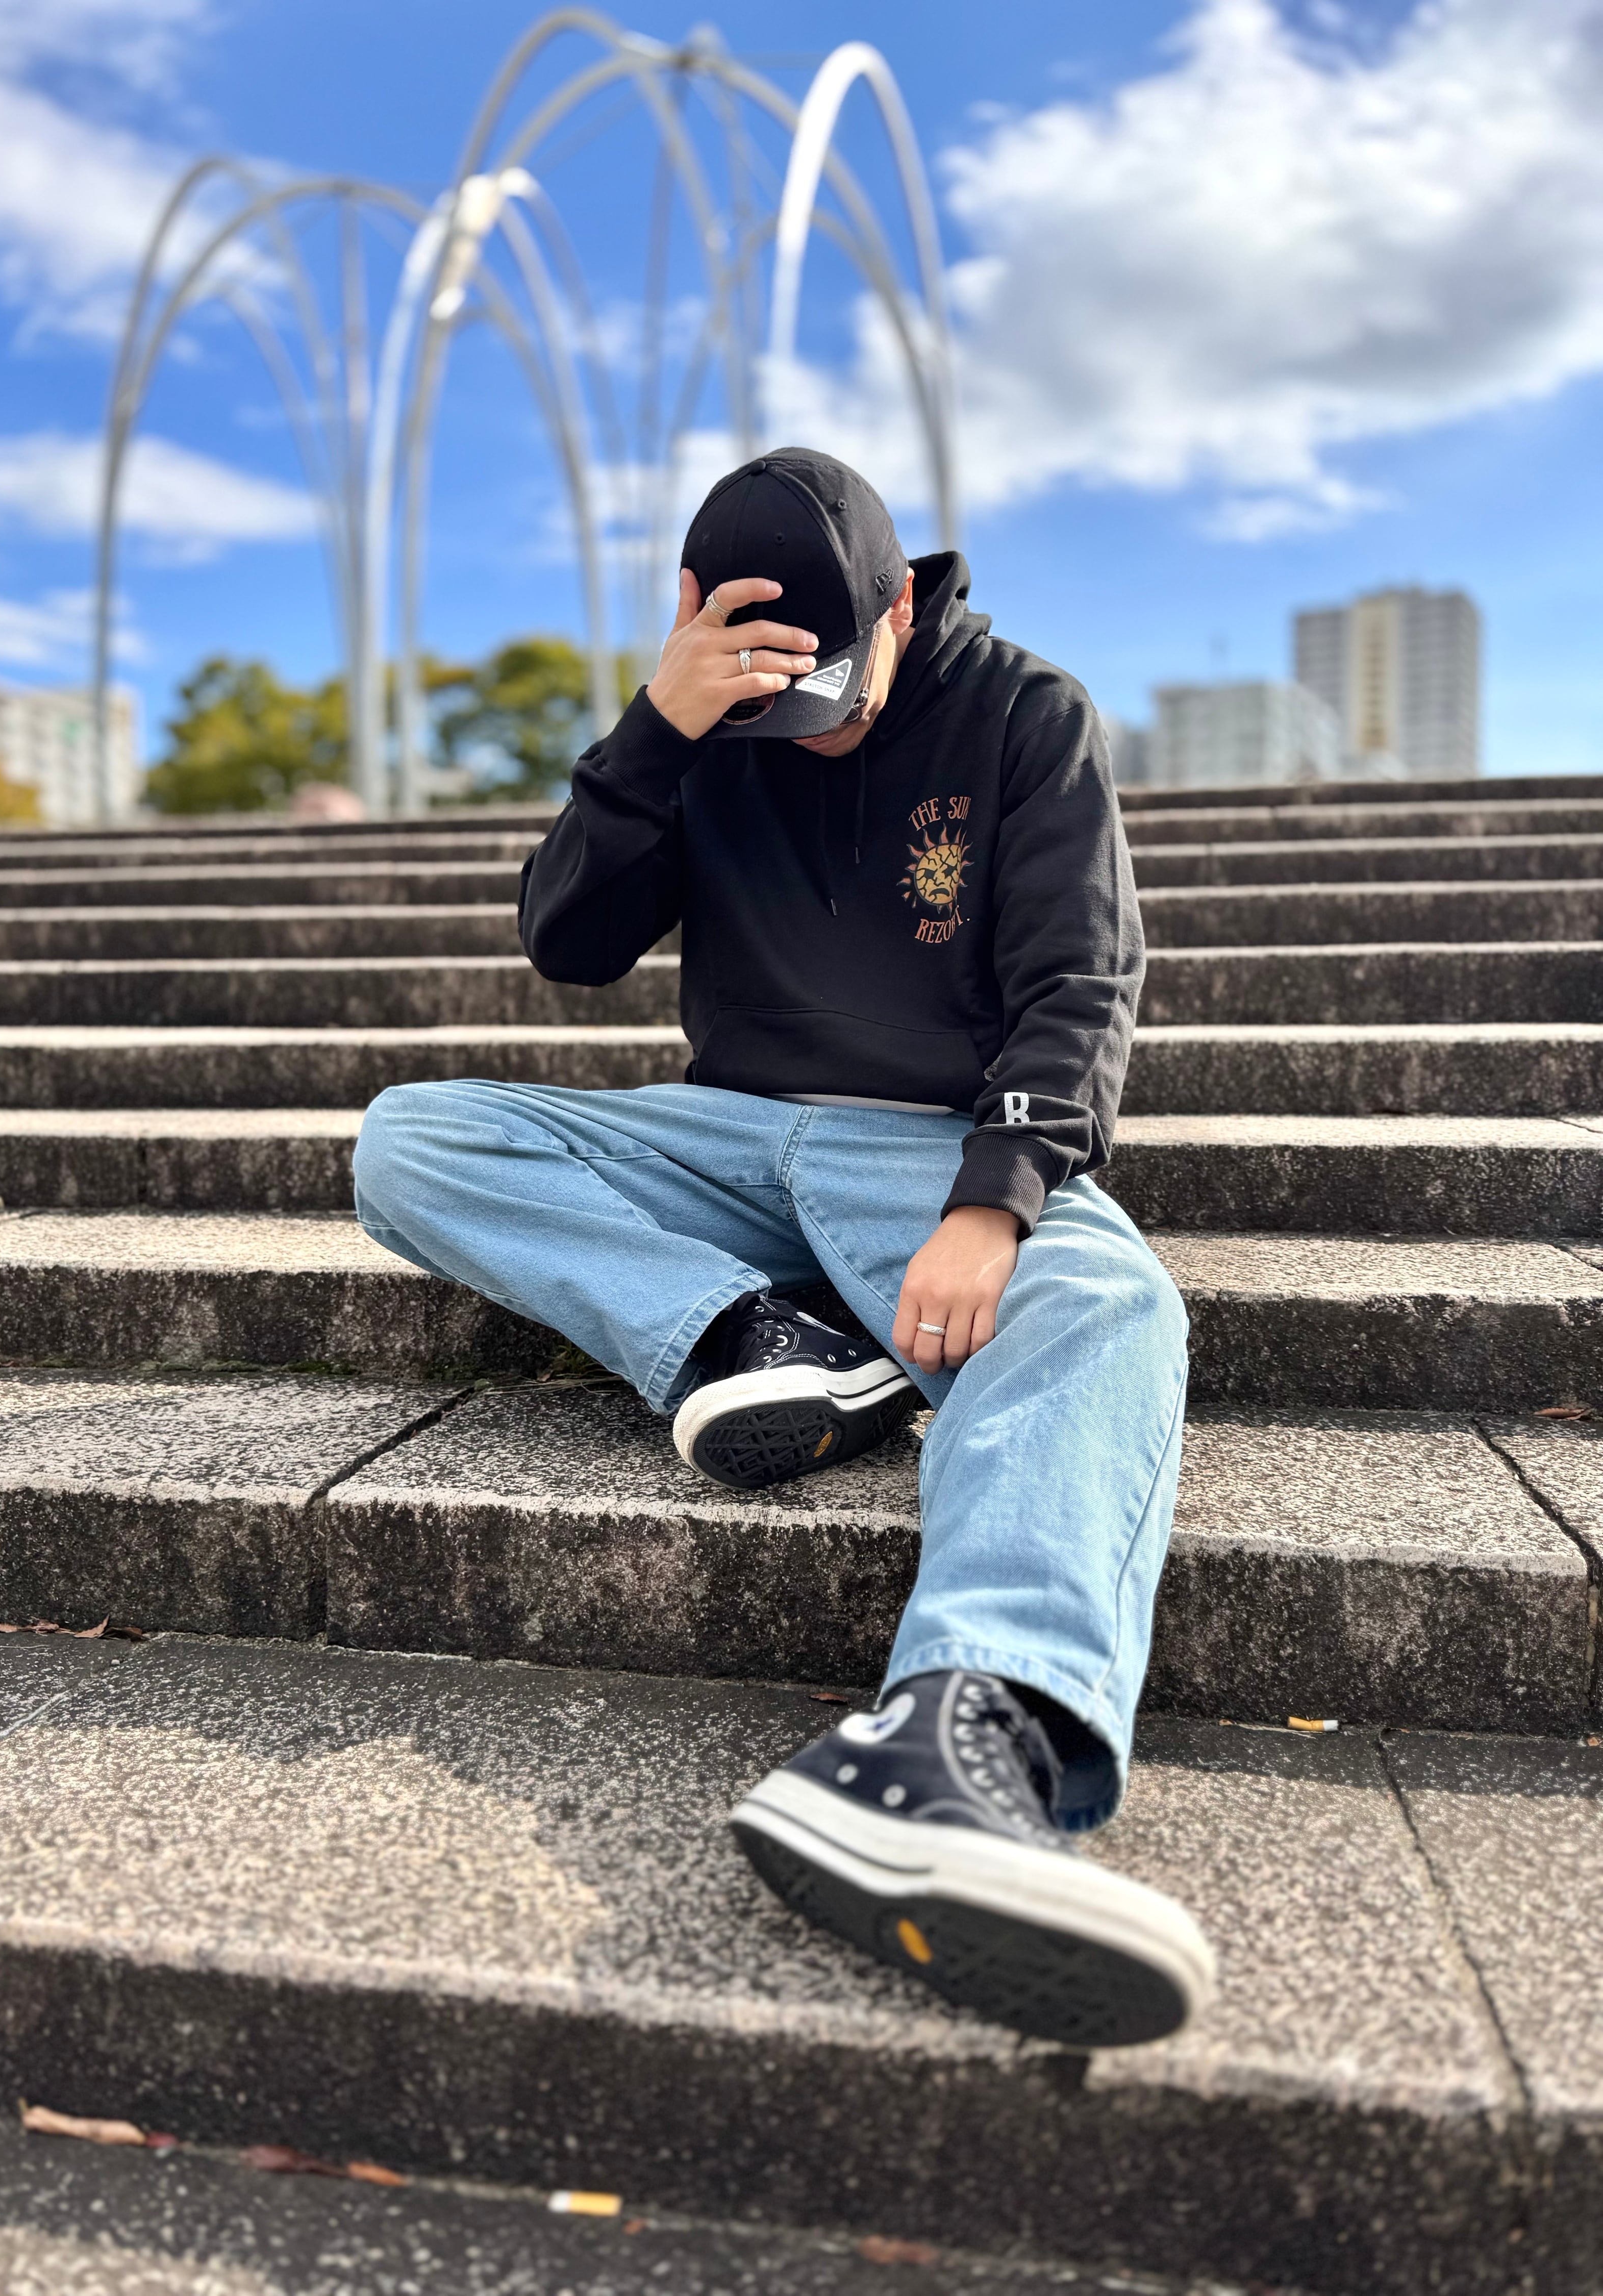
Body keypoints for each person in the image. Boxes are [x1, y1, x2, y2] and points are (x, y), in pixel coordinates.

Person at [354, 447, 1214, 2047]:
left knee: (1108, 1301)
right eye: (773, 696)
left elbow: (1080, 982)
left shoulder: (1026, 713)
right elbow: (568, 942)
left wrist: (996, 1199)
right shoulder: (701, 723)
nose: (811, 723)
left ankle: (964, 1729)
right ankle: (755, 1335)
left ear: (903, 608)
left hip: (925, 1147)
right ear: (697, 614)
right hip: (728, 1132)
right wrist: (655, 733)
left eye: (831, 687)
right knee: (412, 1136)